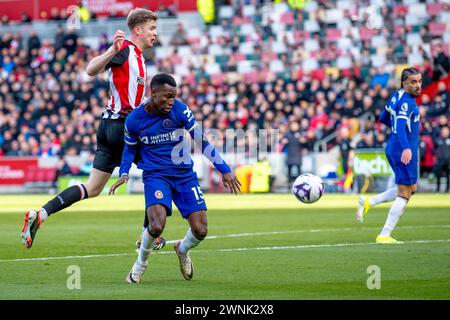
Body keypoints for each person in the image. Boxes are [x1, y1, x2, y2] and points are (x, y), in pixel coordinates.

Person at [21, 8, 166, 250]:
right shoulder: (126, 50)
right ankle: (150, 234)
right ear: (138, 29)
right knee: (158, 171)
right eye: (152, 28)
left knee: (93, 187)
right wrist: (111, 49)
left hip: (108, 126)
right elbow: (90, 69)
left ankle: (42, 213)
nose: (155, 33)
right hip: (122, 127)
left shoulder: (139, 57)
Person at [109, 73, 241, 284]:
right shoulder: (134, 119)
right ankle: (141, 263)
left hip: (184, 176)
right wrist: (124, 172)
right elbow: (129, 149)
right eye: (167, 96)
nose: (171, 101)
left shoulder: (180, 110)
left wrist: (223, 168)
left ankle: (182, 248)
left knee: (201, 230)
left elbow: (202, 141)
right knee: (156, 226)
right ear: (153, 93)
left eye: (174, 96)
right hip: (156, 175)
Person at [356, 67, 422, 244]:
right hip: (402, 150)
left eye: (419, 81)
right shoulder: (408, 102)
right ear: (404, 83)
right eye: (413, 82)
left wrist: (394, 134)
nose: (418, 86)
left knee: (411, 188)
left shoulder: (396, 95)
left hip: (394, 146)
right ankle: (384, 234)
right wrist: (406, 147)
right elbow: (400, 125)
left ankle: (370, 201)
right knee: (405, 193)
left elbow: (384, 117)